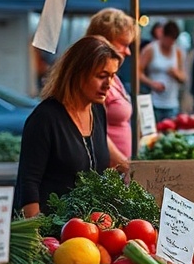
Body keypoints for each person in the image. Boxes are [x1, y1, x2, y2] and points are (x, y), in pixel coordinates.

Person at [17, 36, 122, 217]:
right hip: (53, 229)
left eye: (112, 76)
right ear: (77, 73)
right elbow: (28, 184)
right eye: (101, 76)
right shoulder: (44, 118)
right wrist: (38, 236)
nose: (108, 85)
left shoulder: (97, 111)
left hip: (91, 229)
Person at [86, 8, 136, 166]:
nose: (128, 52)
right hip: (107, 170)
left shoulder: (115, 78)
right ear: (104, 42)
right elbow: (94, 129)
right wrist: (123, 163)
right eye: (123, 44)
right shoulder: (93, 80)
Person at [139, 20, 185, 121]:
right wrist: (151, 83)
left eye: (173, 41)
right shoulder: (150, 49)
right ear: (162, 35)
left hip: (172, 103)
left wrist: (176, 74)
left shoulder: (177, 52)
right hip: (154, 102)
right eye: (168, 40)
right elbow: (137, 72)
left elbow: (183, 77)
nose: (170, 44)